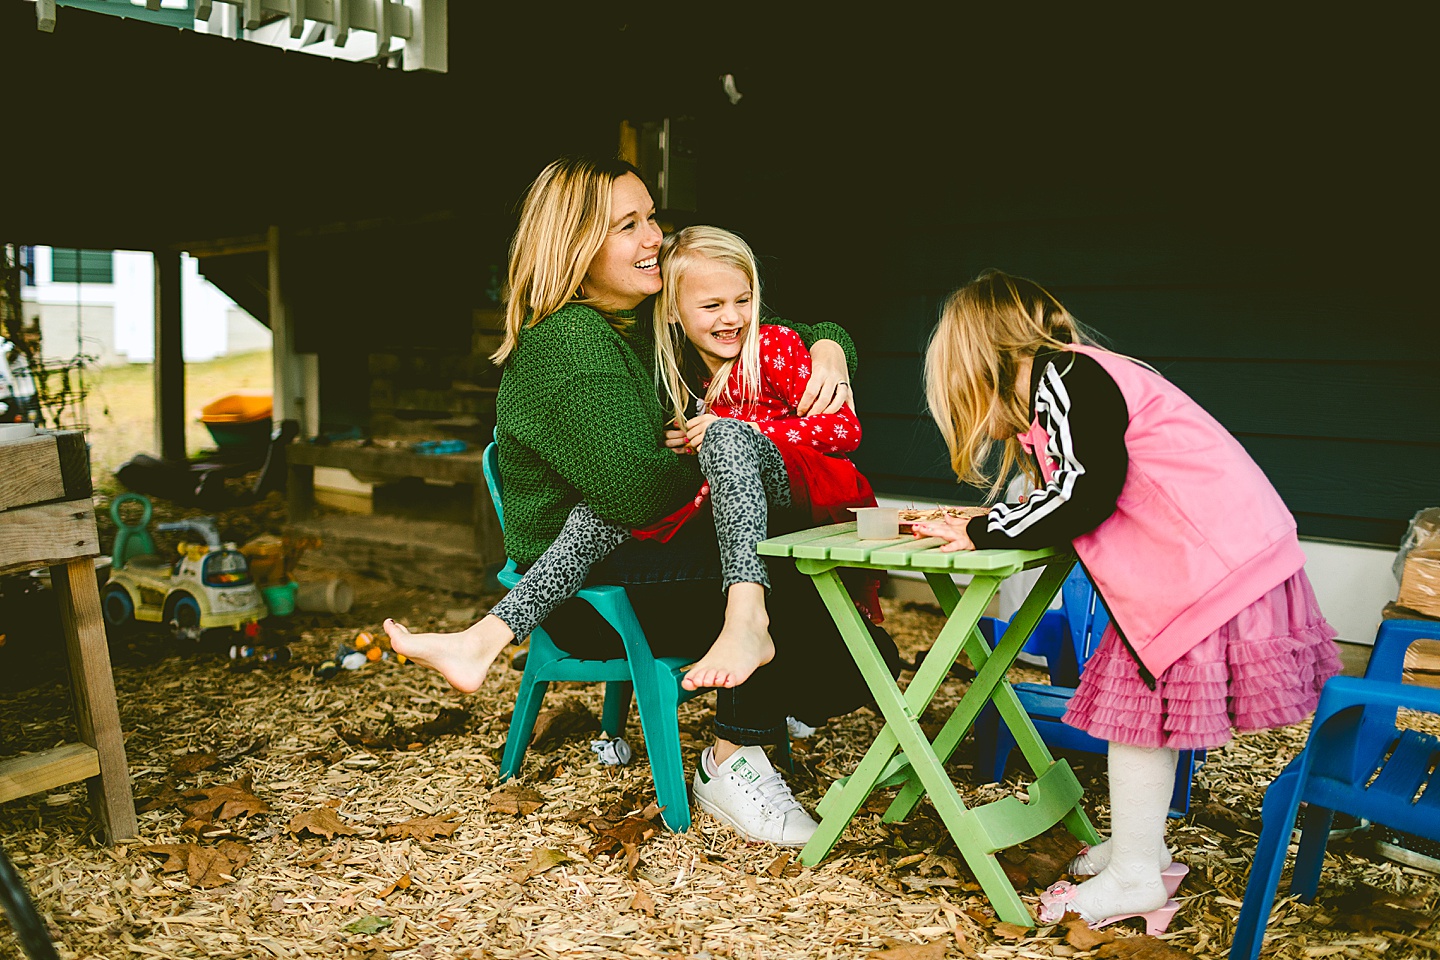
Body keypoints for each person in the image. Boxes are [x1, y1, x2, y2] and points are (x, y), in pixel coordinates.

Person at [386, 157, 898, 847]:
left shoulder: (650, 318)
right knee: (782, 543)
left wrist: (830, 349)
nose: (655, 236)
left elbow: (769, 337)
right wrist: (718, 449)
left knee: (796, 553)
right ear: (574, 248)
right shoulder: (570, 348)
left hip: (639, 556)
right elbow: (641, 493)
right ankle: (732, 759)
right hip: (586, 597)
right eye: (628, 226)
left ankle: (791, 700)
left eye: (651, 216)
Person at [912, 269, 1340, 930]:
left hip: (1204, 565)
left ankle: (1137, 876)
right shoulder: (1075, 382)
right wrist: (981, 522)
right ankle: (1143, 847)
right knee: (1145, 715)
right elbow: (1077, 484)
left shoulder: (1063, 378)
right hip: (1210, 557)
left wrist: (980, 528)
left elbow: (1084, 493)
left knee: (1138, 719)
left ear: (977, 366)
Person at [412, 224, 878, 697]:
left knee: (726, 440)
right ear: (674, 313)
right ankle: (484, 637)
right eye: (712, 306)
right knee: (595, 516)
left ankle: (747, 620)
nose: (732, 318)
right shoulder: (676, 362)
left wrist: (757, 420)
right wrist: (681, 439)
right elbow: (650, 476)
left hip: (809, 487)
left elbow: (845, 430)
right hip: (727, 497)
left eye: (744, 302)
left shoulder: (769, 348)